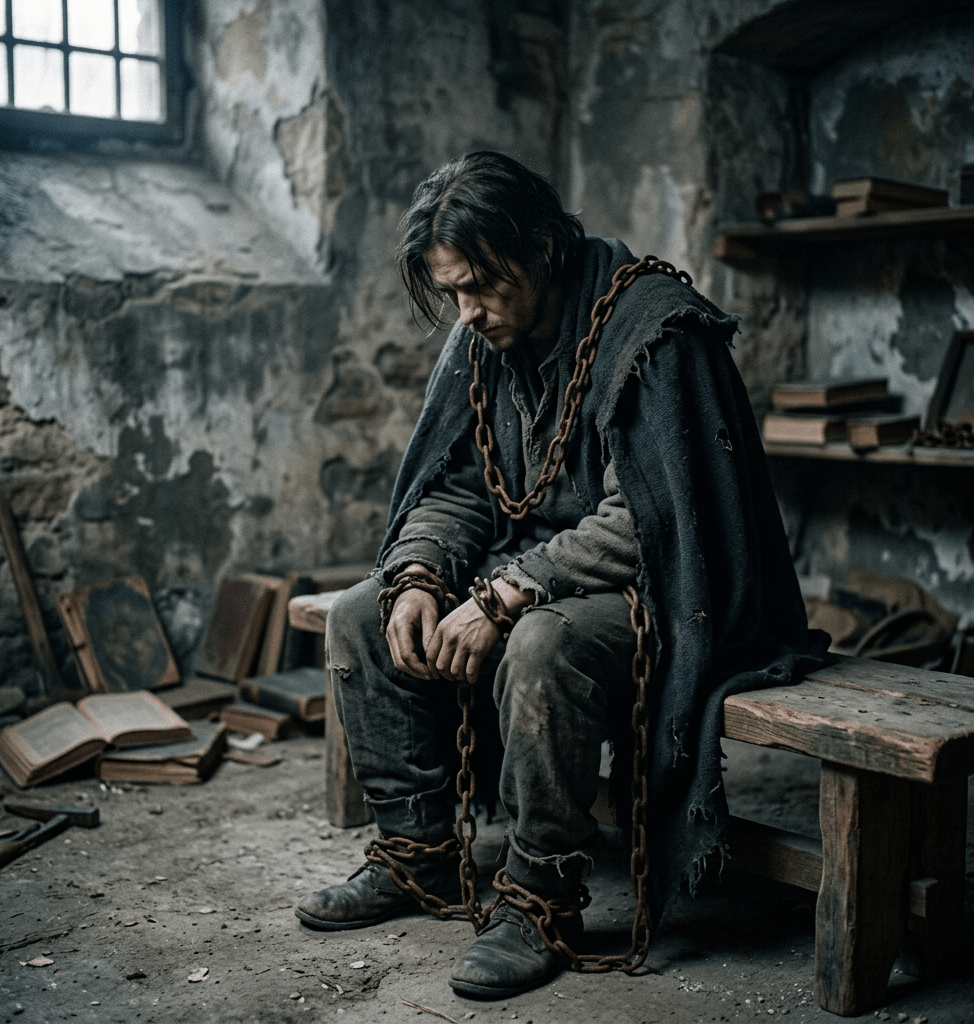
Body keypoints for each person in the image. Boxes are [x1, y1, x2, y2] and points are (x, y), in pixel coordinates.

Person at [295, 152, 826, 998]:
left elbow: (651, 523)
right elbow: (457, 487)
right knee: (365, 611)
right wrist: (425, 572)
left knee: (543, 645)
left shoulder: (655, 328)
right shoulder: (482, 339)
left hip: (669, 592)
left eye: (482, 287)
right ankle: (420, 853)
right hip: (533, 577)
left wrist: (506, 593)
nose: (467, 313)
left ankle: (542, 894)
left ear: (541, 246)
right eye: (453, 292)